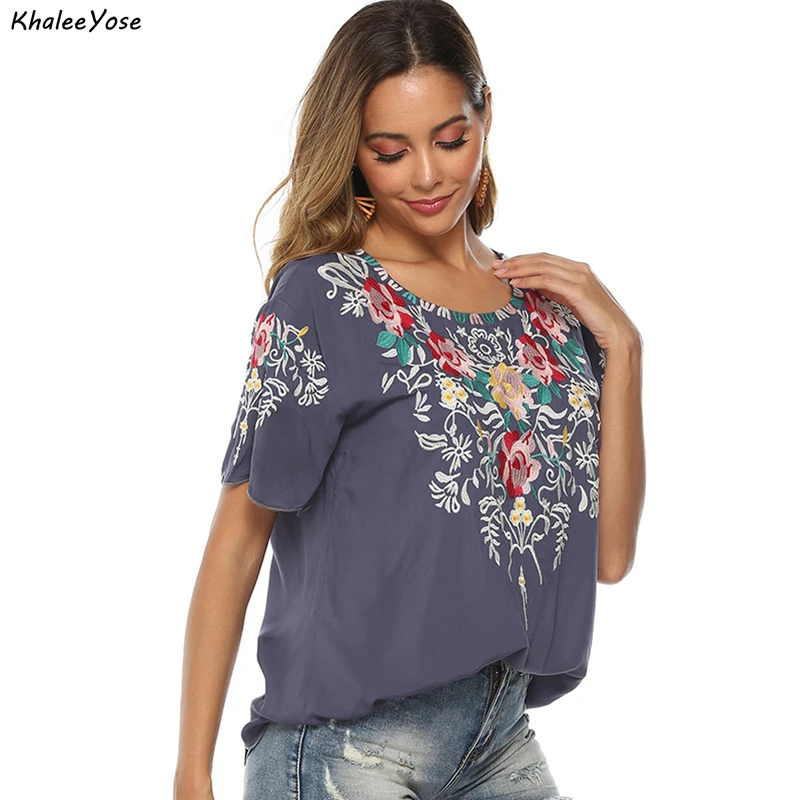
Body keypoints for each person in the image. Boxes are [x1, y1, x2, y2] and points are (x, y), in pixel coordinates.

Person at [173, 1, 645, 798]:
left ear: (486, 115)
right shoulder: (324, 298)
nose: (427, 175)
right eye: (390, 152)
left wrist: (624, 349)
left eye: (451, 140)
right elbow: (237, 543)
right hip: (343, 749)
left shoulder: (548, 316)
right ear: (353, 152)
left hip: (498, 737)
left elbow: (611, 557)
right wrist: (192, 772)